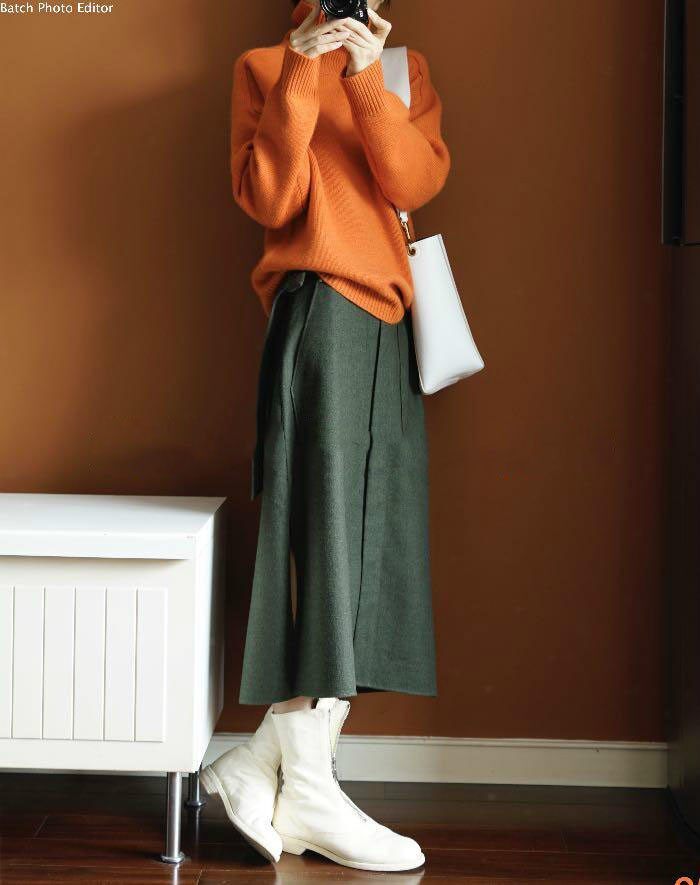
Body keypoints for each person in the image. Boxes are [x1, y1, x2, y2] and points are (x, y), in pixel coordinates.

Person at [201, 0, 451, 872]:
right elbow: (269, 196)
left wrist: (365, 75)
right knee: (327, 540)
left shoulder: (403, 70)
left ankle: (270, 762)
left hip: (388, 323)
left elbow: (412, 185)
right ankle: (305, 783)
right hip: (320, 312)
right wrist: (305, 67)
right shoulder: (265, 67)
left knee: (372, 545)